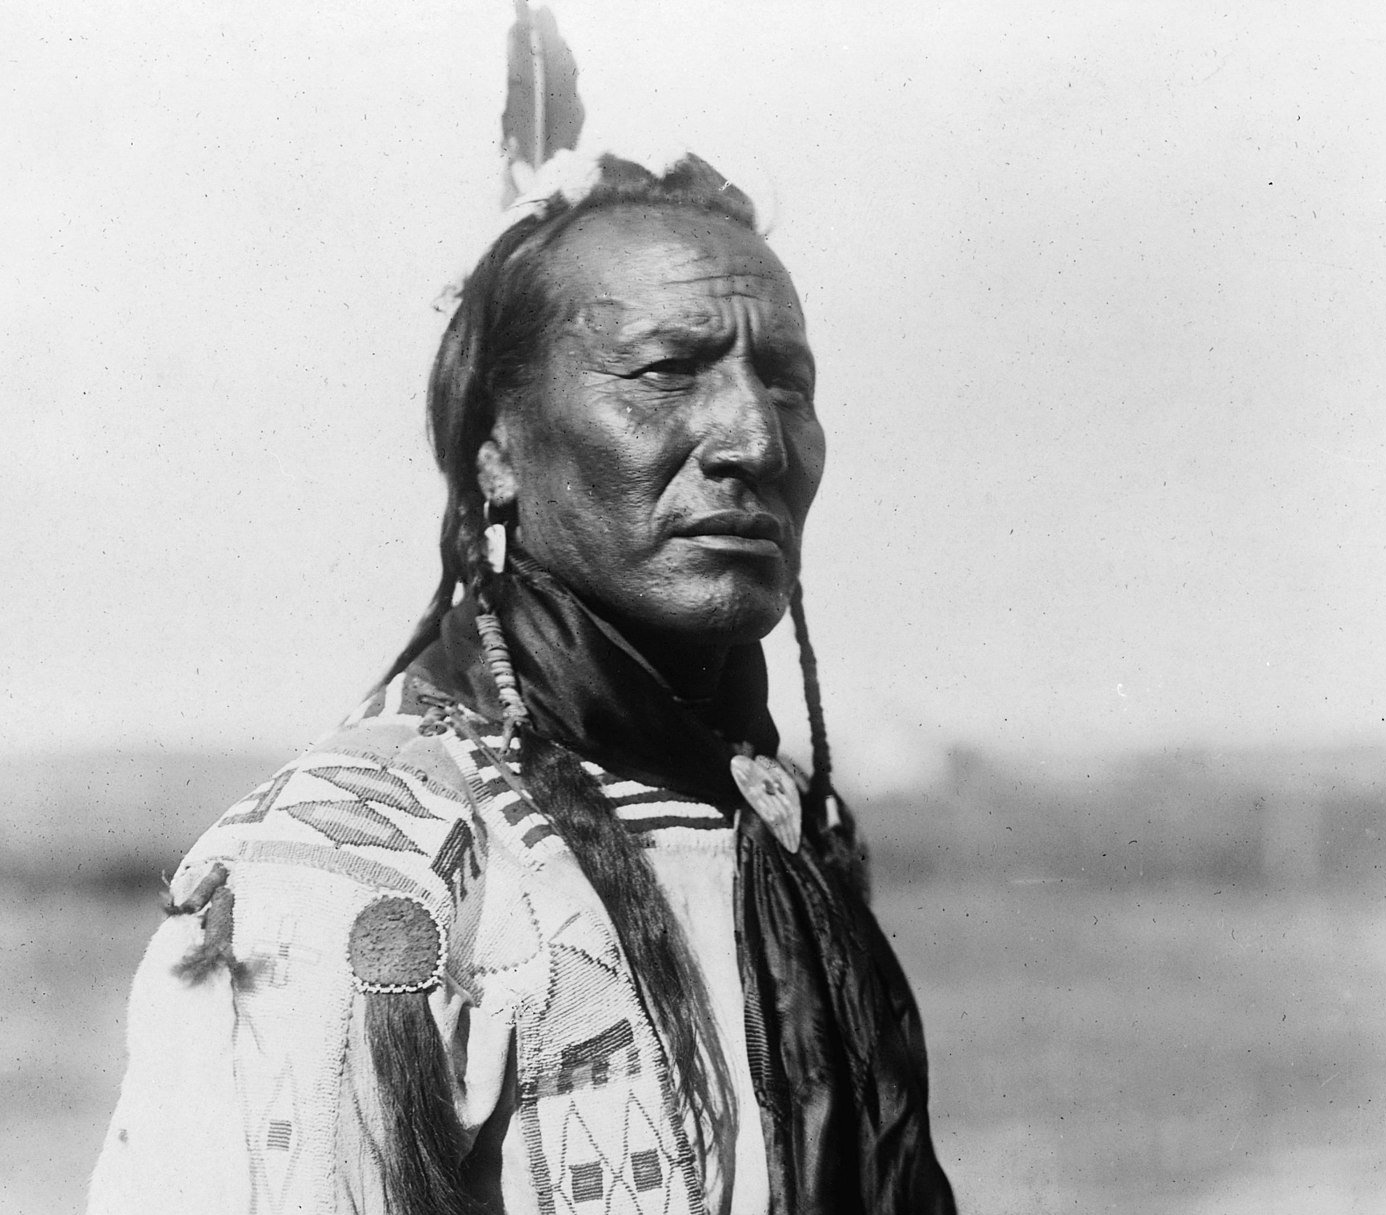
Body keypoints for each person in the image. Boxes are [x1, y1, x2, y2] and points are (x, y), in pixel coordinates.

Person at [89, 151, 955, 1215]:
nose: (754, 437)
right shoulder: (344, 871)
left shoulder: (778, 832)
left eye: (786, 381)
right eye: (665, 371)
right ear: (495, 452)